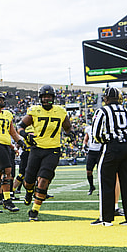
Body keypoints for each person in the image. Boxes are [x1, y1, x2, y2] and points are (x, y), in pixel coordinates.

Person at [17, 85, 75, 221]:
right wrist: (25, 135)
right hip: (36, 149)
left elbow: (68, 127)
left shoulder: (60, 111)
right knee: (28, 181)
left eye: (49, 97)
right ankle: (29, 192)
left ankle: (35, 210)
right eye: (44, 97)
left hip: (53, 150)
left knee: (43, 180)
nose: (47, 99)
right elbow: (20, 127)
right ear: (40, 98)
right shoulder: (34, 111)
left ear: (53, 98)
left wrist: (70, 133)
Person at [90, 86, 127, 227]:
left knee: (106, 182)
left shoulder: (102, 111)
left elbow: (96, 133)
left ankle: (106, 218)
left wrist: (106, 142)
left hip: (112, 147)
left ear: (105, 98)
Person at [83, 124, 101, 195]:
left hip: (100, 151)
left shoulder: (102, 127)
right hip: (91, 152)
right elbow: (86, 139)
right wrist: (84, 145)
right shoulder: (89, 128)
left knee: (100, 172)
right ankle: (91, 186)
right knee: (88, 171)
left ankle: (101, 188)